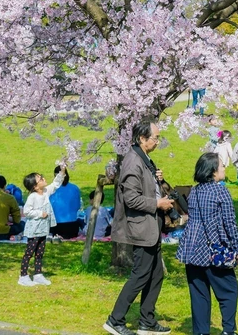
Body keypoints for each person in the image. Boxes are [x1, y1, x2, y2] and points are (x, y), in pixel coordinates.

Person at [104, 120, 176, 335]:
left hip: (151, 227)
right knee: (140, 275)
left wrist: (157, 179)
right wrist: (157, 203)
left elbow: (144, 188)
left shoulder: (144, 159)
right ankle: (114, 320)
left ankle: (147, 321)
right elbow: (130, 199)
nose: (157, 141)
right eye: (155, 138)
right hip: (141, 228)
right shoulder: (133, 161)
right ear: (142, 139)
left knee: (155, 275)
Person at [176, 152, 238, 335]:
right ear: (213, 171)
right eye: (221, 165)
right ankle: (229, 330)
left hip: (192, 249)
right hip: (214, 248)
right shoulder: (220, 191)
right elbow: (230, 223)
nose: (224, 168)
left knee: (199, 295)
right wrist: (237, 249)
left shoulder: (195, 191)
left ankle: (201, 332)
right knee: (229, 291)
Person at [19, 165, 67, 285]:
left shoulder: (46, 192)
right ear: (35, 186)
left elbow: (56, 184)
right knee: (30, 252)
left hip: (43, 229)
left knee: (40, 252)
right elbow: (26, 211)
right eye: (40, 179)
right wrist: (40, 213)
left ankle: (38, 274)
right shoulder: (33, 197)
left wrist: (62, 171)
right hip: (35, 229)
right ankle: (23, 275)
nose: (43, 179)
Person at [49, 165, 84, 239]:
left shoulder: (52, 190)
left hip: (55, 226)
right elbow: (77, 207)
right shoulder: (75, 188)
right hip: (72, 227)